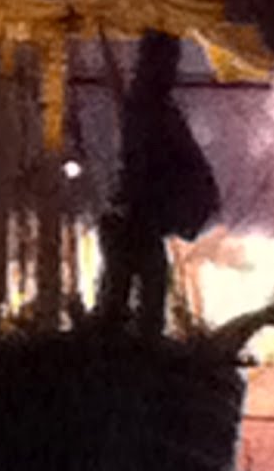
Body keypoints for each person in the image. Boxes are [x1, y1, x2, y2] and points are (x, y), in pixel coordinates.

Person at [94, 31, 219, 339]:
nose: (171, 70)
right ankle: (127, 338)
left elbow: (150, 157)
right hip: (141, 210)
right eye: (168, 61)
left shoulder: (152, 106)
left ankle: (125, 336)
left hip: (142, 209)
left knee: (141, 281)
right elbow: (144, 158)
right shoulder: (151, 107)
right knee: (143, 281)